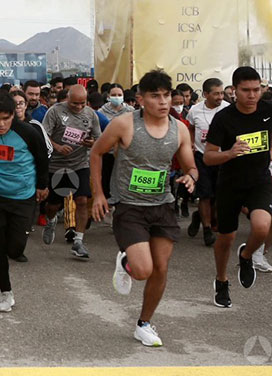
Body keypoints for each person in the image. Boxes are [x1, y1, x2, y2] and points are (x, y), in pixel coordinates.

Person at [91, 70, 197, 347]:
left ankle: (144, 324)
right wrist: (99, 194)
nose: (163, 102)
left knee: (161, 268)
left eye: (166, 96)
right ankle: (126, 262)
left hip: (162, 206)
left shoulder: (180, 129)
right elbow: (96, 153)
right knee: (143, 270)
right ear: (140, 99)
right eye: (155, 96)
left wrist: (191, 177)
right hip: (130, 207)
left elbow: (191, 166)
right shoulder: (124, 124)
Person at [0, 92, 48, 312]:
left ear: (14, 114)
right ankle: (5, 293)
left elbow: (42, 159)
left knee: (14, 247)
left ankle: (14, 250)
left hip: (23, 197)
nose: (1, 124)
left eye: (6, 118)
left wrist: (42, 185)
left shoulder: (28, 133)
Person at [204, 66, 272, 308]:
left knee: (263, 227)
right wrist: (229, 153)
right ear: (234, 91)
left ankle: (246, 257)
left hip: (260, 181)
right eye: (246, 90)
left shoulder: (267, 111)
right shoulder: (224, 119)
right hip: (230, 183)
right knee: (226, 238)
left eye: (257, 90)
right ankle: (221, 280)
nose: (252, 95)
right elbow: (208, 157)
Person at [41, 84, 101, 259]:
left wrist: (92, 144)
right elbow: (43, 135)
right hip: (57, 165)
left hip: (80, 164)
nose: (79, 107)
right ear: (68, 99)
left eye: (82, 103)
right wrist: (58, 147)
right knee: (54, 205)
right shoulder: (55, 112)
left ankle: (79, 241)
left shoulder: (91, 115)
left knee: (82, 200)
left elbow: (99, 138)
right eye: (75, 103)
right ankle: (51, 221)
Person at [185, 78, 230, 248]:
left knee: (219, 194)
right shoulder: (195, 110)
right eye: (216, 93)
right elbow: (190, 127)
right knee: (204, 194)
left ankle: (201, 216)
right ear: (205, 94)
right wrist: (190, 143)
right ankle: (207, 229)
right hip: (202, 157)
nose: (220, 97)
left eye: (221, 93)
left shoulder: (228, 109)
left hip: (223, 157)